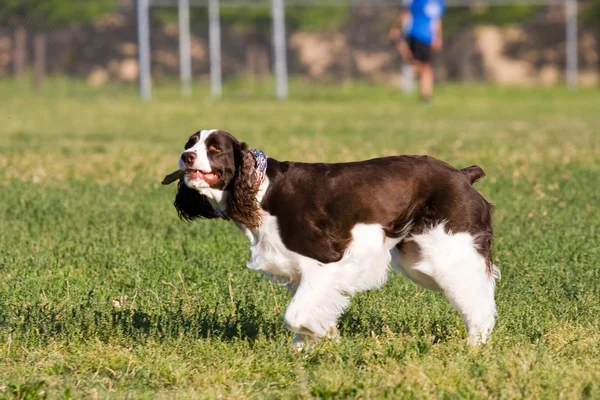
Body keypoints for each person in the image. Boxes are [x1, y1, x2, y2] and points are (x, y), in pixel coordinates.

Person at [389, 0, 445, 103]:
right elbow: (407, 12)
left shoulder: (439, 2)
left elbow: (437, 19)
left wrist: (437, 36)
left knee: (426, 67)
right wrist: (397, 27)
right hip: (416, 34)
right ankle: (425, 95)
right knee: (419, 65)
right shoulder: (419, 1)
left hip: (428, 38)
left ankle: (426, 97)